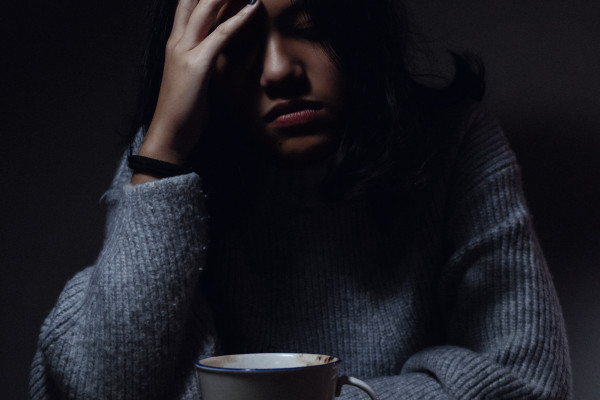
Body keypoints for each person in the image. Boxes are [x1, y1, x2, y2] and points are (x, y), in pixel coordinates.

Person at [30, 0, 572, 398]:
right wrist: (163, 149)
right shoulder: (167, 163)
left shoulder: (454, 144)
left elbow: (529, 383)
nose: (278, 70)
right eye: (236, 44)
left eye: (310, 28)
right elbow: (104, 387)